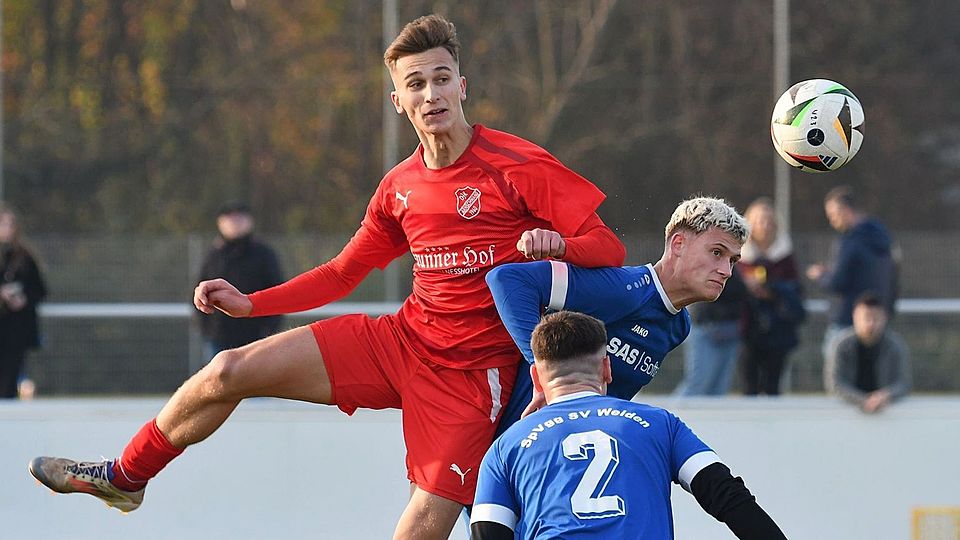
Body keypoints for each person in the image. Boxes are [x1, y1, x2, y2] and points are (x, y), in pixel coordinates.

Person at [28, 14, 625, 540]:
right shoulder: (399, 187)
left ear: (462, 87)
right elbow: (343, 273)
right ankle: (126, 477)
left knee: (422, 523)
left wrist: (559, 248)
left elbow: (609, 245)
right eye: (415, 83)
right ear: (398, 101)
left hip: (473, 377)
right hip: (402, 343)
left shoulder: (516, 164)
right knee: (225, 370)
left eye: (442, 78)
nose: (431, 93)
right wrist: (250, 303)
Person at [470, 311, 787, 539]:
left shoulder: (506, 446)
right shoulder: (659, 424)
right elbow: (725, 494)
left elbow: (488, 531)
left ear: (536, 378)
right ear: (607, 368)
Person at [487, 196, 748, 435]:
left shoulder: (679, 326)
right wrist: (543, 370)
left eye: (732, 261)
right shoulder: (622, 289)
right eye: (717, 253)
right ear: (678, 244)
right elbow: (508, 280)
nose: (726, 271)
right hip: (518, 445)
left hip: (571, 452)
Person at [806, 186, 895, 357]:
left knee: (838, 376)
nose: (832, 221)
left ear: (845, 210)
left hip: (846, 320)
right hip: (877, 321)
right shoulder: (882, 237)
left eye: (833, 215)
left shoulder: (850, 242)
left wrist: (821, 276)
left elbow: (837, 283)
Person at [195, 201, 284, 362]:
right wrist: (208, 330)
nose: (234, 222)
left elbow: (277, 291)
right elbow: (199, 291)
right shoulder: (214, 255)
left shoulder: (264, 254)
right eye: (230, 217)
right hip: (219, 336)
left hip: (255, 336)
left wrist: (268, 330)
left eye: (239, 217)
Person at [737, 197, 805, 396]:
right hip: (747, 329)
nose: (764, 226)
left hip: (778, 330)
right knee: (748, 384)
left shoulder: (785, 256)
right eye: (759, 221)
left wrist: (772, 290)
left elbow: (795, 289)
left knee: (773, 385)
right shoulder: (740, 256)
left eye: (768, 221)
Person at [823, 292, 911, 414]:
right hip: (847, 413)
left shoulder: (895, 346)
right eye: (866, 317)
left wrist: (884, 396)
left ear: (884, 318)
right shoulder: (841, 345)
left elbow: (902, 383)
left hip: (885, 413)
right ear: (855, 317)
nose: (871, 323)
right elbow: (835, 384)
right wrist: (863, 400)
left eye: (876, 318)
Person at [673, 269, 748, 396]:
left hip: (730, 330)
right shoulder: (708, 263)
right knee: (698, 382)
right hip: (706, 327)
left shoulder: (738, 265)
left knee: (719, 387)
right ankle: (671, 414)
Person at [0, 203, 48, 399]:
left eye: (10, 224)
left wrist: (23, 298)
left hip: (16, 329)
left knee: (9, 380)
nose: (6, 228)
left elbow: (40, 289)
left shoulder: (25, 257)